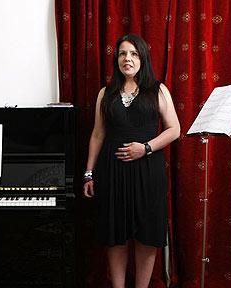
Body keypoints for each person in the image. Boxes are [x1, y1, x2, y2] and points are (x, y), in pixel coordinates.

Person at [83, 34, 180, 288]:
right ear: (117, 60)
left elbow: (174, 129)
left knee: (147, 235)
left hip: (148, 172)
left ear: (142, 58)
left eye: (134, 54)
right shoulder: (106, 93)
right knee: (116, 235)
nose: (128, 59)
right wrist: (89, 173)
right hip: (112, 172)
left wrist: (145, 148)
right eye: (123, 54)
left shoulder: (158, 90)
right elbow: (97, 134)